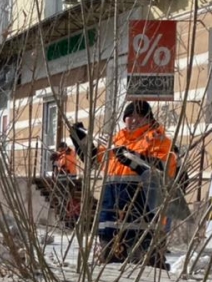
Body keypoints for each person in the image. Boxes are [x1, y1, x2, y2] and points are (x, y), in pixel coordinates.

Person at [72, 100, 176, 267]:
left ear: (149, 119)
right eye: (130, 116)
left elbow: (163, 172)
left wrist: (134, 160)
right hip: (111, 220)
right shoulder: (116, 142)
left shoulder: (158, 140)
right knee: (108, 269)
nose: (134, 120)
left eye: (140, 116)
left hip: (142, 223)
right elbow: (93, 159)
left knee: (144, 269)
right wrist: (80, 140)